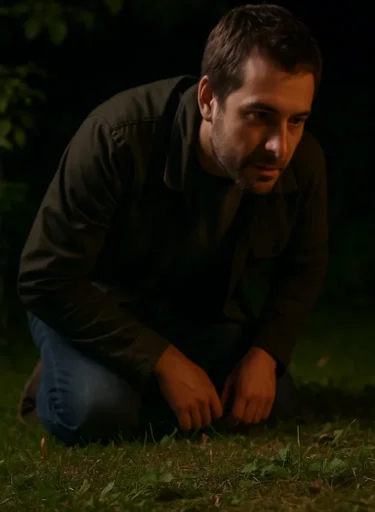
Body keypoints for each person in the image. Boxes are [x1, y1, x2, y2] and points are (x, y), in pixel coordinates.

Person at [14, 3, 328, 446]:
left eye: (297, 120)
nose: (280, 146)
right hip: (94, 305)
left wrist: (265, 354)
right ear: (208, 99)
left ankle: (143, 389)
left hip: (194, 313)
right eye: (260, 115)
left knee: (270, 406)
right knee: (99, 412)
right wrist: (163, 362)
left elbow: (304, 267)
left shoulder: (302, 161)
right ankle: (62, 377)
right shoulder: (117, 137)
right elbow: (44, 277)